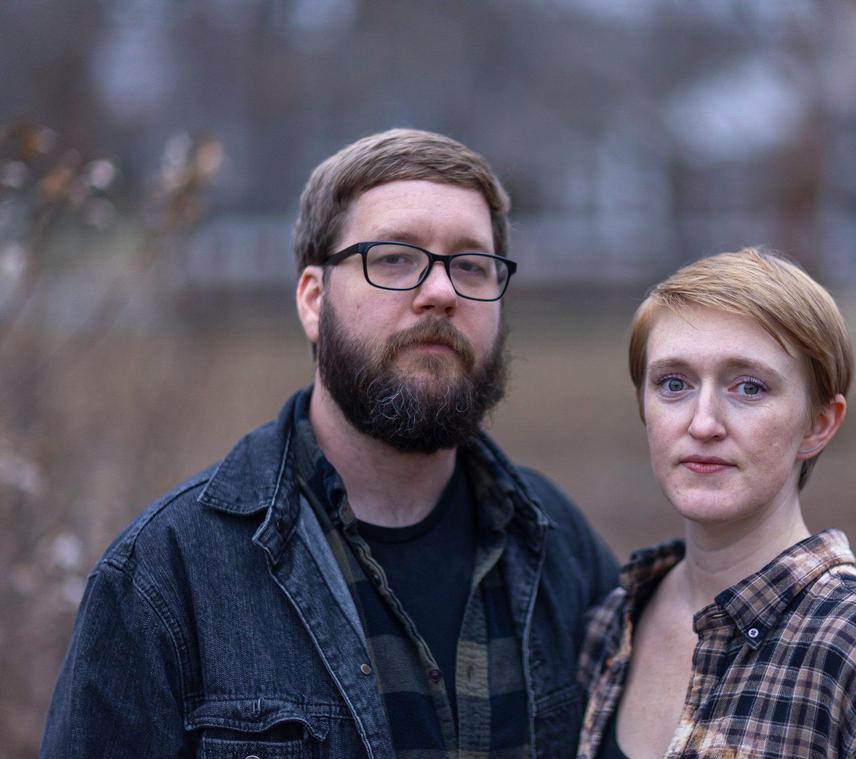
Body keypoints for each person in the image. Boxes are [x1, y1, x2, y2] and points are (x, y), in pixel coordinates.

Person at [42, 128, 619, 758]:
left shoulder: (559, 547)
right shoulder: (165, 577)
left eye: (471, 265)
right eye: (395, 257)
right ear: (314, 302)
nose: (442, 292)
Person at [577, 248, 856, 758]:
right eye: (673, 383)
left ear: (819, 424)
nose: (702, 423)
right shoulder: (610, 630)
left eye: (749, 387)